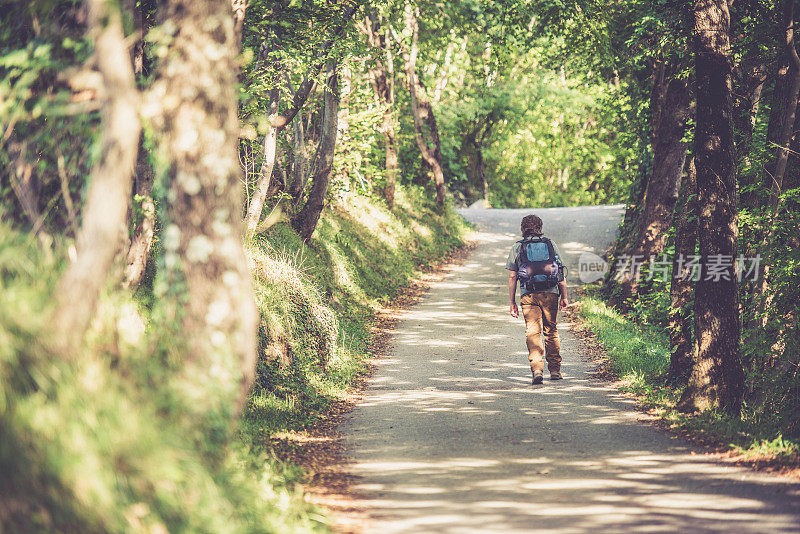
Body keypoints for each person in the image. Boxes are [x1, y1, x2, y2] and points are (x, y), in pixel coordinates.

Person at [506, 215, 569, 384]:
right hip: (551, 293)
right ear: (540, 227)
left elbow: (512, 277)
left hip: (529, 294)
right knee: (551, 330)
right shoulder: (550, 244)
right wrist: (564, 296)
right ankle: (555, 370)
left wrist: (512, 302)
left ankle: (537, 370)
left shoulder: (518, 247)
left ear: (523, 228)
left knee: (533, 332)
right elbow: (560, 272)